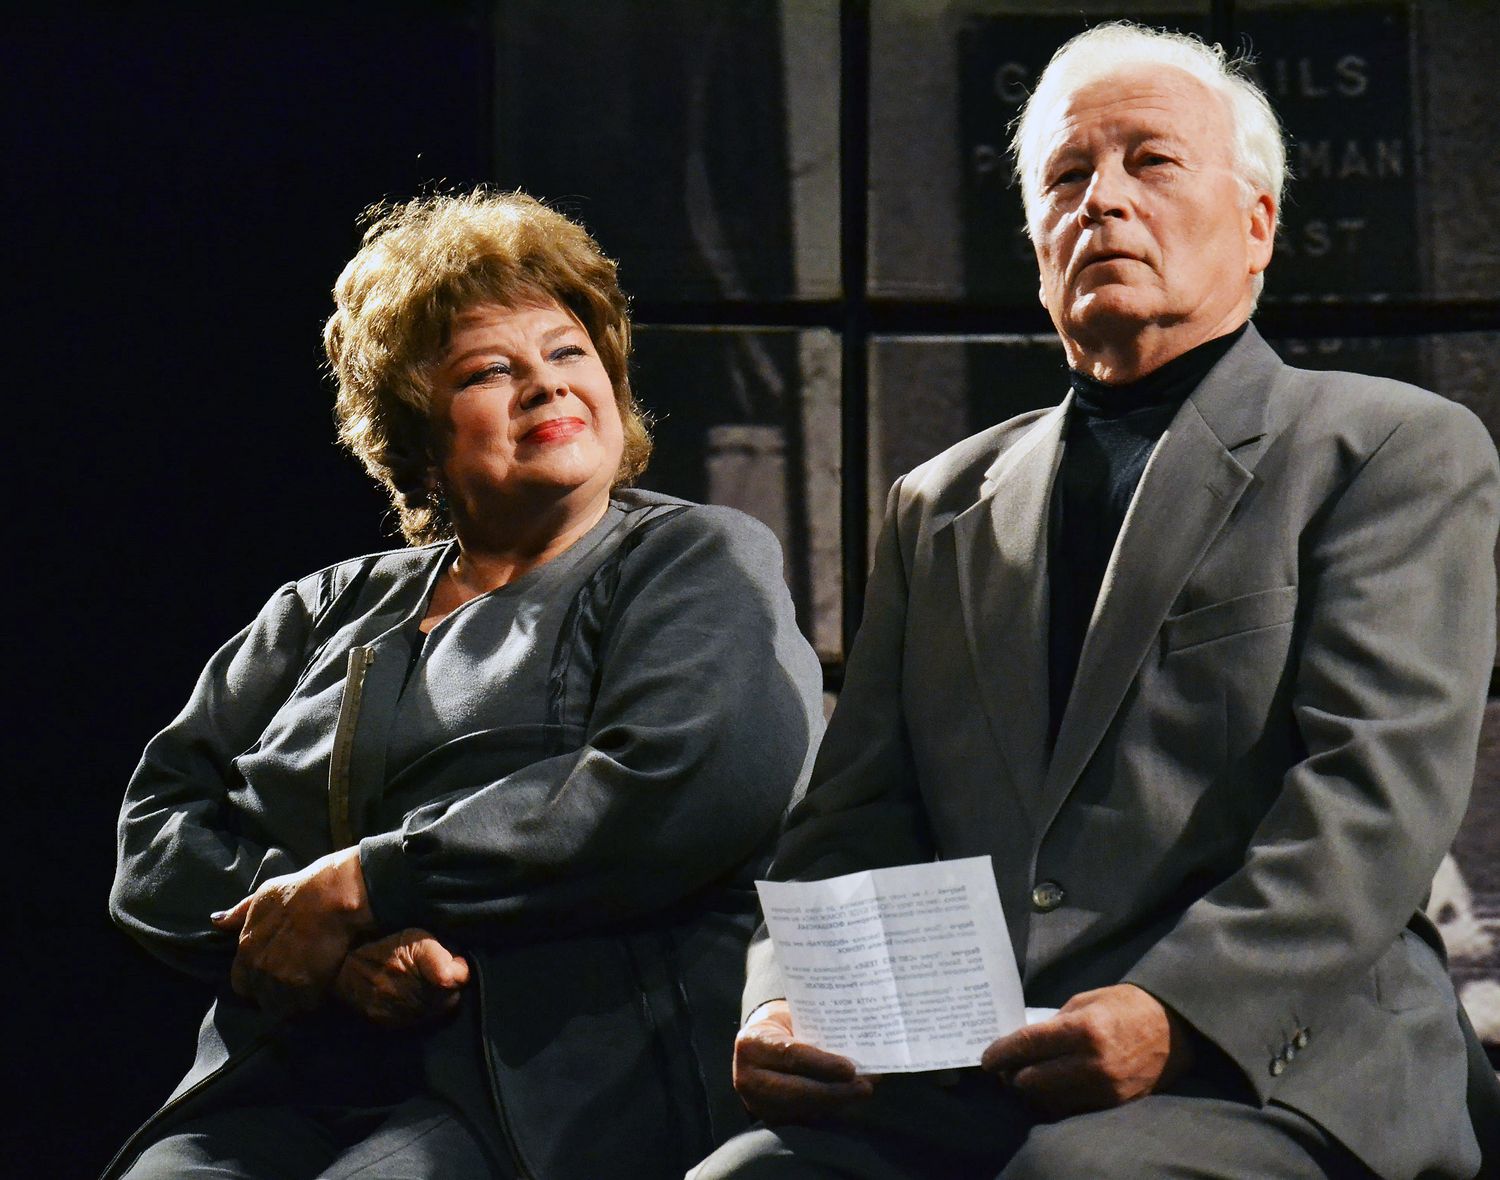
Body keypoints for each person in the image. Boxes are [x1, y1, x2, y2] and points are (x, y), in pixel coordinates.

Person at [692, 21, 1496, 1180]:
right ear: (1035, 243)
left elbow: (1374, 798)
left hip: (1280, 1060)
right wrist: (786, 998)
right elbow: (856, 818)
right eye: (1067, 175)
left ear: (1257, 223)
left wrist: (1175, 1008)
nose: (1102, 199)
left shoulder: (1389, 449)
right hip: (980, 1066)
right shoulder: (939, 501)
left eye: (1151, 161)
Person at [105, 189, 824, 1180]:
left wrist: (369, 882)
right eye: (491, 369)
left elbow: (673, 783)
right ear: (418, 431)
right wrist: (330, 954)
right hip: (289, 1070)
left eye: (568, 352)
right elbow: (159, 829)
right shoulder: (323, 607)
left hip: (557, 1086)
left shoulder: (694, 557)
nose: (546, 385)